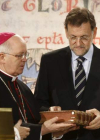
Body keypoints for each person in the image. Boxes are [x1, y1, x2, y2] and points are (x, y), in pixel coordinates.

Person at [0, 32, 78, 140]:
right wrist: (43, 130)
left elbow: (34, 122)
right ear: (2, 57)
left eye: (25, 54)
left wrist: (54, 133)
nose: (25, 59)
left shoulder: (23, 87)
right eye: (19, 55)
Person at [34, 7, 100, 140]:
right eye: (73, 37)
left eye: (84, 37)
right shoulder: (50, 61)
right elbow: (39, 102)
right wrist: (50, 111)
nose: (78, 43)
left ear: (95, 32)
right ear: (66, 32)